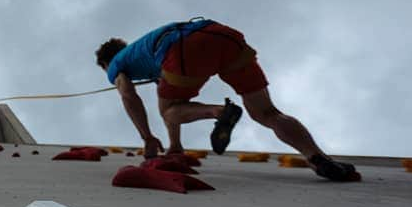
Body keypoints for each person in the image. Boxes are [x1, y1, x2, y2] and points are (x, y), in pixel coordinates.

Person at [95, 17, 359, 181]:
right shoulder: (144, 53)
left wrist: (148, 138)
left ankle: (219, 112)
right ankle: (319, 158)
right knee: (267, 113)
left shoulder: (117, 63)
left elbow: (128, 95)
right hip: (221, 36)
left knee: (169, 111)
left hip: (183, 48)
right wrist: (175, 146)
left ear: (107, 61)